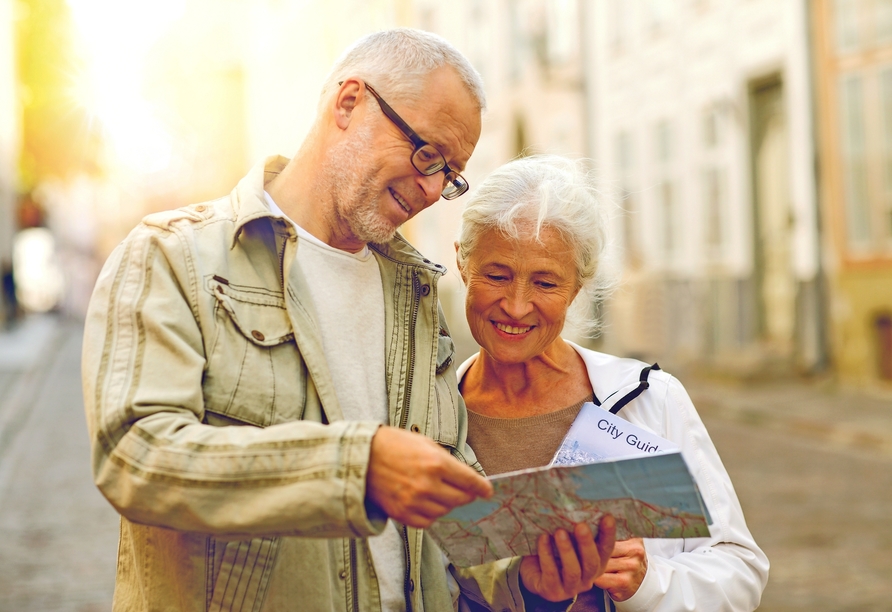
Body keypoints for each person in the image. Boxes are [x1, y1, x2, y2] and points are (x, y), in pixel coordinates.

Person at [82, 31, 611, 612]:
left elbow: (450, 501)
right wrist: (353, 468)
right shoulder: (175, 256)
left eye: (451, 174)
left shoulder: (413, 291)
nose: (434, 189)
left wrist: (528, 578)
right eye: (427, 155)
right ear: (349, 103)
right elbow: (136, 457)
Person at [454, 155, 770, 611]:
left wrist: (646, 582)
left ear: (577, 287)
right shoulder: (434, 414)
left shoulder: (648, 399)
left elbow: (740, 568)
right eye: (497, 275)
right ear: (462, 264)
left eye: (545, 283)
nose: (517, 306)